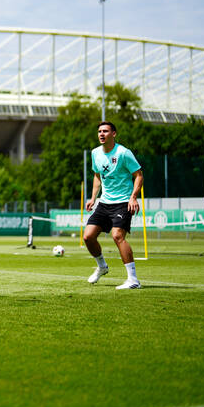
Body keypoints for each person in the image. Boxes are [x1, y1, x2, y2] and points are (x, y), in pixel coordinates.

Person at [83, 121, 143, 290]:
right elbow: (97, 175)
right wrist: (93, 197)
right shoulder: (95, 153)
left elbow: (138, 175)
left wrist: (133, 197)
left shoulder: (124, 153)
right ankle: (102, 266)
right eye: (99, 131)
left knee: (117, 236)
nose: (101, 134)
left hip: (123, 202)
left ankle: (133, 280)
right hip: (104, 202)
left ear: (114, 134)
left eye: (105, 131)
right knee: (88, 236)